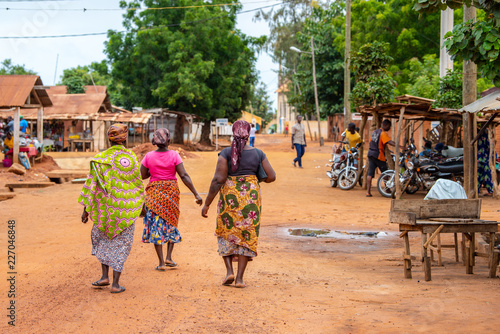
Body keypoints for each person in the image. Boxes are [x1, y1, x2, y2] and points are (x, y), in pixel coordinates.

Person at [202, 120, 276, 288]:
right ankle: (240, 279)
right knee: (246, 235)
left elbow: (218, 180)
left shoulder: (226, 153)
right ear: (249, 133)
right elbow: (271, 176)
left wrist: (207, 203)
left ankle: (229, 272)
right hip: (250, 198)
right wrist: (253, 181)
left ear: (233, 133)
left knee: (226, 230)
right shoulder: (258, 154)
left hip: (230, 197)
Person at [78, 123, 144, 294]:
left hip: (105, 210)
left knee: (104, 240)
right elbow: (137, 184)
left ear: (109, 138)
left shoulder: (101, 159)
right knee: (121, 245)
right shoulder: (130, 158)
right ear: (125, 137)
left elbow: (91, 185)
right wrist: (141, 206)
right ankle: (115, 283)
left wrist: (86, 209)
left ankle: (104, 276)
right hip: (125, 210)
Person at [141, 128, 203, 270]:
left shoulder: (148, 156)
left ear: (154, 141)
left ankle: (162, 262)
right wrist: (196, 194)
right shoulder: (175, 155)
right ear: (169, 140)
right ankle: (169, 257)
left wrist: (153, 171)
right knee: (171, 221)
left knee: (156, 225)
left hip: (154, 194)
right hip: (171, 193)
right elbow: (184, 175)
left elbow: (142, 175)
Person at [366, 119, 395, 197]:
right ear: (385, 125)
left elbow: (370, 142)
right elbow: (390, 142)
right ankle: (387, 189)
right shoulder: (383, 133)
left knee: (370, 174)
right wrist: (400, 146)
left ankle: (368, 192)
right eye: (389, 126)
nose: (389, 128)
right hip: (378, 155)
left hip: (370, 154)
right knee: (386, 172)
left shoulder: (374, 132)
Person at [477, 129, 494, 196]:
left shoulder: (480, 135)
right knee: (484, 175)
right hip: (483, 159)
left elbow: (490, 147)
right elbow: (490, 147)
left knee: (482, 175)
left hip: (482, 159)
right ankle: (490, 190)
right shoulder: (484, 135)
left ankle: (489, 190)